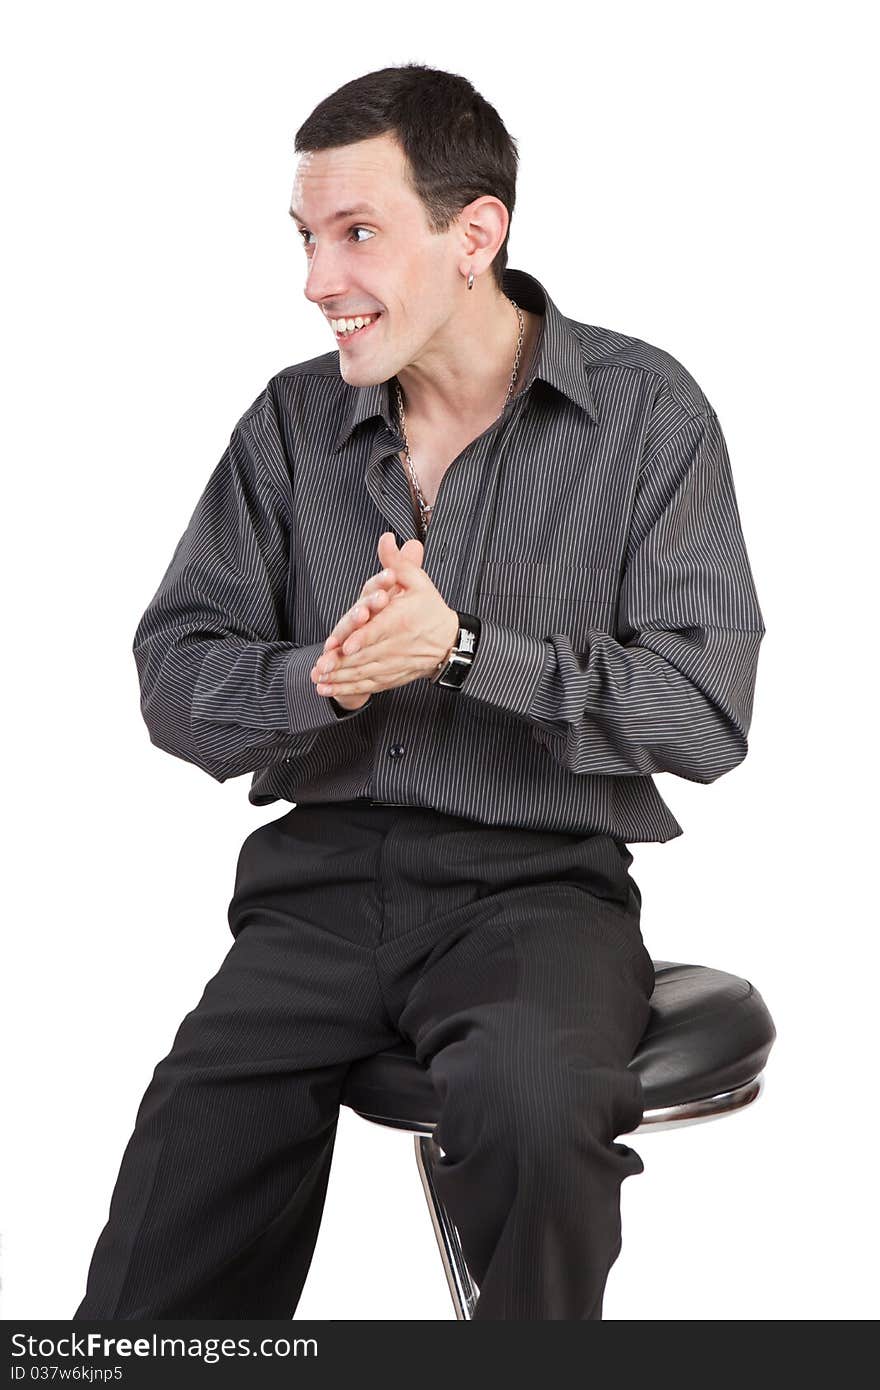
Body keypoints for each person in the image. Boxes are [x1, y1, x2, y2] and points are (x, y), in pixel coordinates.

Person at [73, 63, 765, 1321]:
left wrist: (462, 654)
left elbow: (707, 710)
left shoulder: (644, 416)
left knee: (531, 1107)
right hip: (317, 892)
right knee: (177, 1192)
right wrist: (322, 680)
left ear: (475, 235)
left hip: (538, 892)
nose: (316, 280)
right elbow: (174, 679)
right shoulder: (288, 427)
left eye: (356, 235)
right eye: (305, 239)